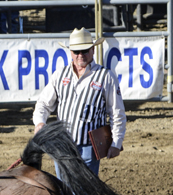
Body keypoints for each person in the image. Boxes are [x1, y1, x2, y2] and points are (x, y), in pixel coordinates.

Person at [32, 28, 124, 181]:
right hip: (63, 145)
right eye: (76, 51)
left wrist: (116, 142)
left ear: (93, 50)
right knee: (66, 190)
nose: (80, 55)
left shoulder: (105, 76)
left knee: (82, 192)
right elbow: (43, 103)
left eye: (84, 50)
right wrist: (40, 123)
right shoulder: (60, 74)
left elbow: (116, 112)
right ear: (70, 52)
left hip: (90, 147)